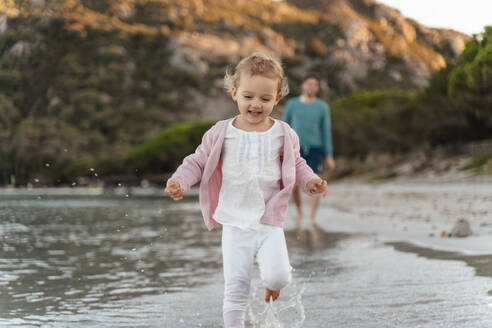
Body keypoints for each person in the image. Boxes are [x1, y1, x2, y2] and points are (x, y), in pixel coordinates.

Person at [164, 53, 328, 328]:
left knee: (279, 278)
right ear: (234, 93)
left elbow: (297, 163)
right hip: (234, 222)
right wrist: (180, 181)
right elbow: (198, 160)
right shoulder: (221, 132)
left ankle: (270, 284)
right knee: (236, 288)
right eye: (248, 96)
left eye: (265, 99)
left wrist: (310, 181)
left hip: (268, 222)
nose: (256, 104)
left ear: (276, 99)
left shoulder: (284, 133)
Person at [282, 74, 335, 227]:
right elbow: (284, 125)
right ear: (303, 86)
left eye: (315, 85)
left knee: (316, 181)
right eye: (309, 84)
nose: (312, 87)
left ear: (317, 88)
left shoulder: (322, 107)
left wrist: (329, 155)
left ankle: (312, 217)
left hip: (315, 148)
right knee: (294, 184)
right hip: (295, 148)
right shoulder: (292, 104)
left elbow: (326, 131)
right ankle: (299, 211)